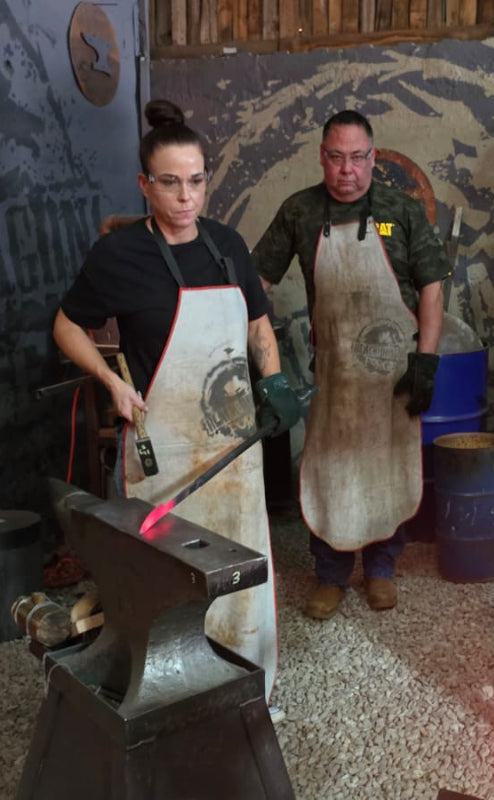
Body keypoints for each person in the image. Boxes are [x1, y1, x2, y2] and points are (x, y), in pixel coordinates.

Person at [52, 99, 302, 705]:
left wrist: (273, 383)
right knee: (166, 575)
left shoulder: (227, 246)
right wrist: (112, 383)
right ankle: (170, 696)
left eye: (196, 182)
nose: (185, 197)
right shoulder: (118, 257)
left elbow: (259, 326)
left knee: (241, 564)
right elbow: (65, 325)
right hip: (163, 446)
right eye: (169, 183)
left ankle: (248, 688)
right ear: (145, 185)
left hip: (232, 444)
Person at [252, 109, 451, 620]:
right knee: (332, 472)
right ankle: (332, 575)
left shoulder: (397, 211)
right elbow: (257, 285)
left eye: (359, 158)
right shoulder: (300, 212)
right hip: (335, 374)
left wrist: (426, 360)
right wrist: (247, 347)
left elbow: (432, 285)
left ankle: (382, 569)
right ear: (322, 158)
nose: (348, 170)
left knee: (390, 469)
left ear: (372, 157)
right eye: (337, 158)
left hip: (394, 375)